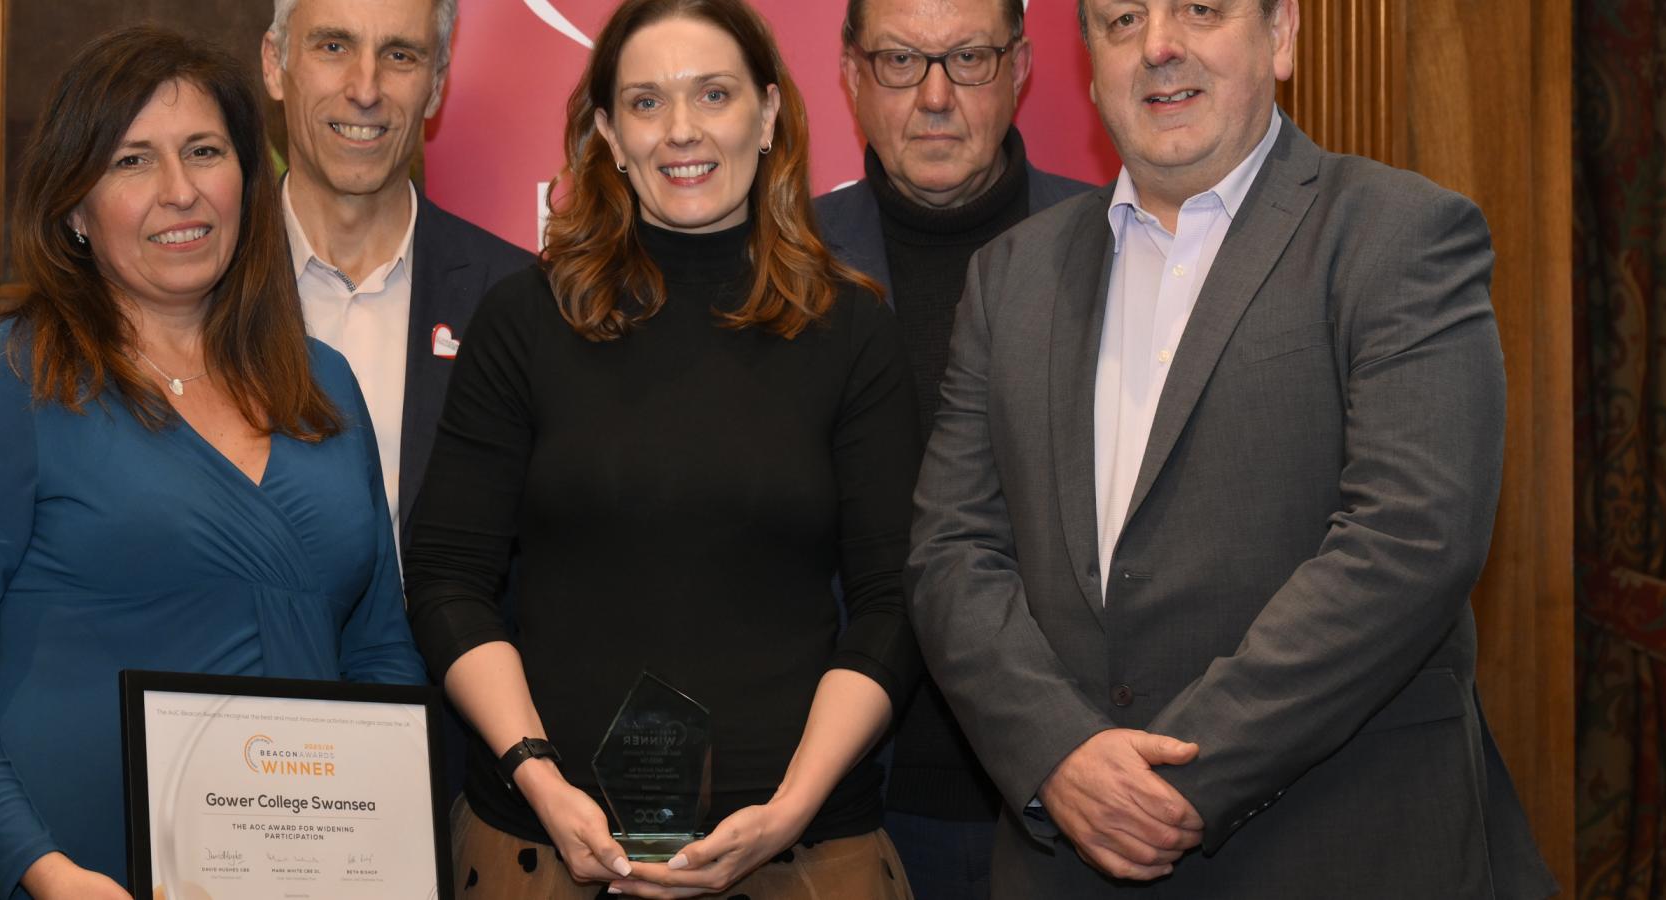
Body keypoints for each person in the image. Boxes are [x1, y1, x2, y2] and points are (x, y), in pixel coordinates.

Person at [906, 0, 1557, 896]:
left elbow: (1412, 538)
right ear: (1089, 66)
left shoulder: (1400, 234)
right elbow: (951, 553)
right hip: (1069, 858)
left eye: (1201, 8)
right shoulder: (1009, 277)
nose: (1159, 46)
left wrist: (1177, 780)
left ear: (1280, 35)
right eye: (1122, 20)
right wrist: (1058, 752)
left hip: (1338, 851)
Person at [0, 28, 424, 900]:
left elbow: (381, 649)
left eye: (204, 151)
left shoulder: (324, 386)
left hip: (301, 878)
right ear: (74, 208)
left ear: (247, 176)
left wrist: (384, 861)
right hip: (70, 878)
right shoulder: (4, 380)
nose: (180, 191)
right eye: (132, 161)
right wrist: (42, 870)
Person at [402, 0, 922, 896]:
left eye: (713, 94)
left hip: (798, 858)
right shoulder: (524, 321)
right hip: (546, 852)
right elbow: (448, 578)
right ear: (609, 132)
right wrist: (538, 776)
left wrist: (791, 809)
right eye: (646, 102)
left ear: (768, 113)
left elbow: (896, 601)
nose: (681, 130)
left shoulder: (851, 330)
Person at [814, 0, 1089, 894]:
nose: (935, 97)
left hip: (1076, 792)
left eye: (968, 57)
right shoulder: (782, 261)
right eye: (901, 61)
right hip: (844, 805)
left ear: (1022, 67)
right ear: (851, 74)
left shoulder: (1118, 243)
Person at [261, 0, 533, 551]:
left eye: (400, 55)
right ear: (274, 63)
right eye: (333, 46)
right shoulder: (197, 285)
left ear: (436, 85)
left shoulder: (520, 299)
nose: (365, 89)